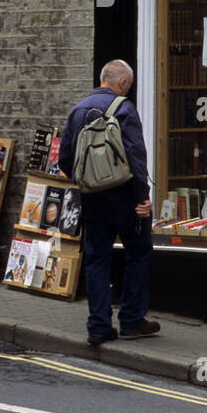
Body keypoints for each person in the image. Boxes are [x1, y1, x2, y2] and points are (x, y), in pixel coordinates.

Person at [58, 60, 157, 345]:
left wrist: (85, 182)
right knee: (138, 253)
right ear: (123, 83)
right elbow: (136, 156)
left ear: (102, 79)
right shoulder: (124, 109)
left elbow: (65, 157)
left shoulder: (77, 110)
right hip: (126, 195)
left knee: (97, 258)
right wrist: (143, 197)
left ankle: (98, 327)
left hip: (92, 198)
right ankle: (131, 320)